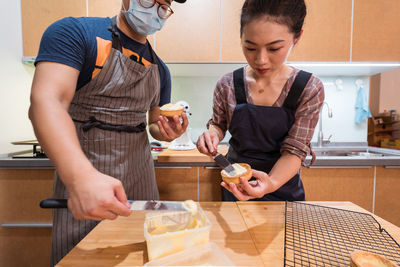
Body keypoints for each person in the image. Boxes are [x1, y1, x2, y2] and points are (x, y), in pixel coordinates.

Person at [28, 0, 187, 265]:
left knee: (143, 255)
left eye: (164, 5)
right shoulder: (76, 34)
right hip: (87, 175)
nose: (156, 10)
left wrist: (166, 132)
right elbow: (46, 103)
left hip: (141, 179)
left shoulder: (160, 70)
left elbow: (153, 124)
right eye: (150, 0)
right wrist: (80, 179)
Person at [197, 0, 324, 202]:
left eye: (274, 49)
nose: (261, 60)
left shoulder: (308, 88)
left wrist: (270, 183)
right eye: (250, 47)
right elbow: (219, 124)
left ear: (297, 37)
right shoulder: (227, 84)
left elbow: (294, 151)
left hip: (283, 190)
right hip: (235, 187)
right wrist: (212, 134)